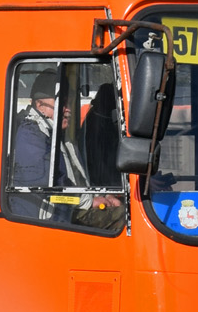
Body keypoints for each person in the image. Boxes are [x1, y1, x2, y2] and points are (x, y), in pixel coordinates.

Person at [9, 72, 121, 225]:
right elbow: (49, 185)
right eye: (61, 103)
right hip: (49, 219)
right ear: (39, 105)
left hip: (66, 210)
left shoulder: (59, 134)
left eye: (69, 103)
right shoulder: (30, 135)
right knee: (124, 221)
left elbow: (77, 179)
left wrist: (103, 194)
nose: (68, 109)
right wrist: (89, 200)